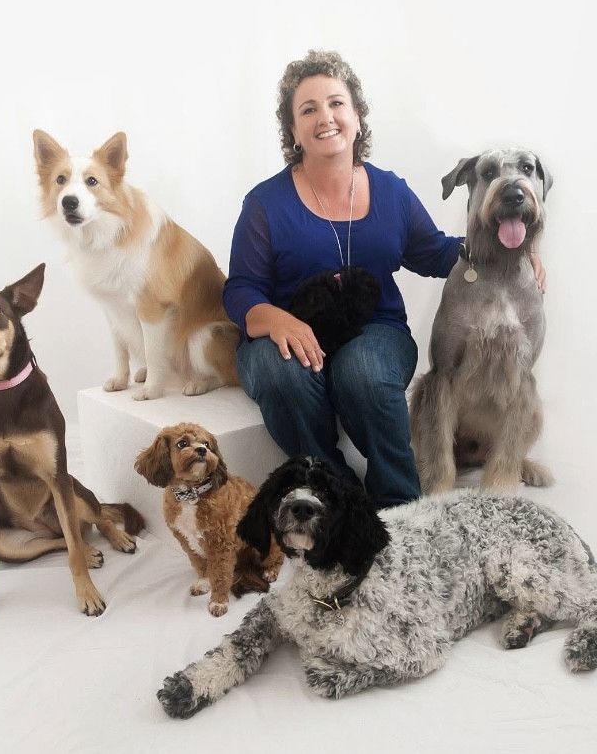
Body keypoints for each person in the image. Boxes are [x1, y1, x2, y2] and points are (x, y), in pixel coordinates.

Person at [223, 49, 545, 508]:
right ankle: (332, 492)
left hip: (375, 329)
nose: (325, 118)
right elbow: (240, 290)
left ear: (357, 117)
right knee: (282, 377)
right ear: (293, 130)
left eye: (336, 104)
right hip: (286, 330)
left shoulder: (391, 191)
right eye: (308, 109)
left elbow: (435, 251)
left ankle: (402, 506)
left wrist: (515, 246)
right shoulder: (264, 204)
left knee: (366, 374)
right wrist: (278, 321)